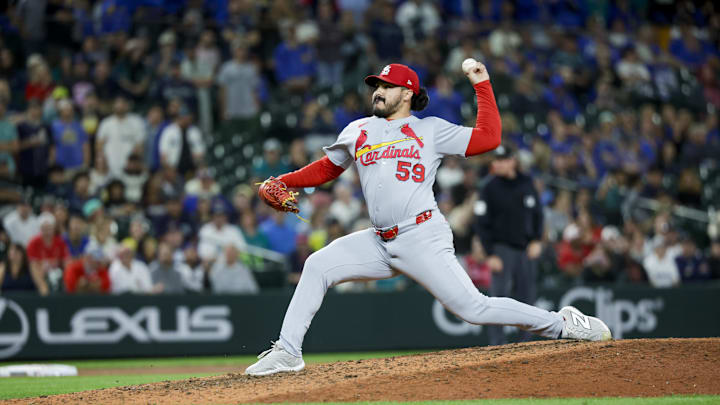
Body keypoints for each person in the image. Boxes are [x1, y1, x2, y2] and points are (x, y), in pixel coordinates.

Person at [245, 62, 612, 376]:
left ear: (407, 93)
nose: (377, 91)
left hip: (421, 235)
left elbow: (489, 138)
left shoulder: (431, 130)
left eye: (386, 86)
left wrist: (482, 84)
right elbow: (327, 168)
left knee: (474, 308)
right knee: (317, 264)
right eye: (376, 85)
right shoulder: (358, 130)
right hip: (377, 239)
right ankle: (288, 352)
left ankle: (562, 324)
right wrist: (283, 181)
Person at [473, 145, 544, 345]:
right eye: (496, 160)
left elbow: (538, 214)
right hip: (500, 250)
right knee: (497, 301)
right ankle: (498, 346)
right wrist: (489, 254)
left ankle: (526, 344)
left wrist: (537, 240)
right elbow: (481, 223)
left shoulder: (527, 182)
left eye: (502, 159)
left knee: (527, 298)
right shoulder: (488, 187)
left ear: (513, 160)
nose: (498, 164)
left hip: (526, 249)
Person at [26, 212, 69, 295]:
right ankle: (44, 291)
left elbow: (66, 261)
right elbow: (33, 265)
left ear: (53, 229)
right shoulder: (33, 243)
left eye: (49, 228)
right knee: (34, 269)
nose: (47, 232)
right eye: (44, 229)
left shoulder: (60, 242)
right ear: (40, 229)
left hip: (58, 274)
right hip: (41, 275)